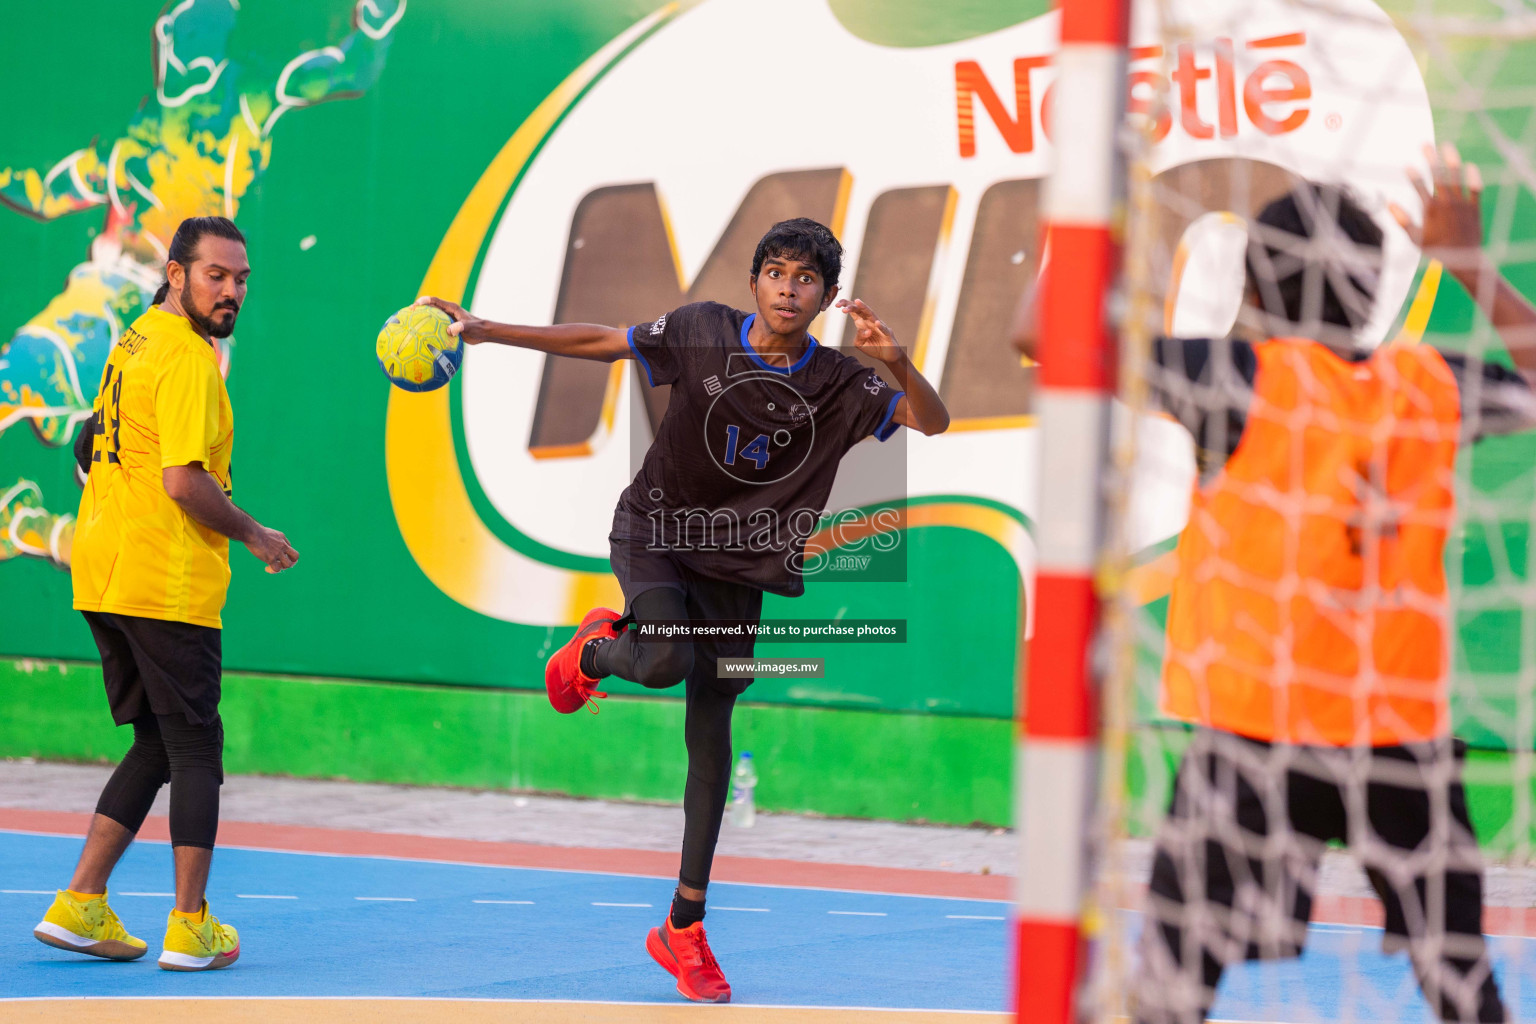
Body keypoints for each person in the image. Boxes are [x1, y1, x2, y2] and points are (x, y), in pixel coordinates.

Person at [1019, 145, 1536, 1022]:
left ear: (1251, 293)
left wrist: (1077, 225)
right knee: (1461, 984)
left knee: (1174, 992)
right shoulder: (1429, 385)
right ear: (1375, 290)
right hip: (1398, 740)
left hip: (1253, 739)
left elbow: (1042, 337)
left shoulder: (1240, 380)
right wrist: (1473, 267)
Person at [420, 217, 950, 1003]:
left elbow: (932, 422)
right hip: (657, 535)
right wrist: (489, 330)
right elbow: (606, 341)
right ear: (755, 282)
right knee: (663, 657)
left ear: (827, 297)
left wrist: (898, 360)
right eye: (776, 271)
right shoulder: (702, 331)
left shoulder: (842, 381)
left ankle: (684, 928)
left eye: (806, 278)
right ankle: (597, 649)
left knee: (712, 738)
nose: (788, 287)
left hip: (743, 573)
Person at [0, 0, 403, 569]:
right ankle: (34, 529)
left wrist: (379, 20)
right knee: (35, 397)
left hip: (171, 321)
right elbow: (44, 190)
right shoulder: (135, 136)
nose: (176, 38)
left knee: (138, 495)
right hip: (113, 296)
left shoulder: (245, 103)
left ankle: (40, 528)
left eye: (194, 26)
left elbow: (349, 69)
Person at [32, 216, 299, 972]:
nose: (232, 291)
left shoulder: (137, 336)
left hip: (106, 570)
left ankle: (82, 901)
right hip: (162, 578)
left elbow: (90, 439)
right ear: (177, 273)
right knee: (194, 746)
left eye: (242, 279)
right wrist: (254, 534)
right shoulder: (185, 359)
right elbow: (183, 481)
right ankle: (190, 923)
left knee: (157, 739)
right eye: (216, 275)